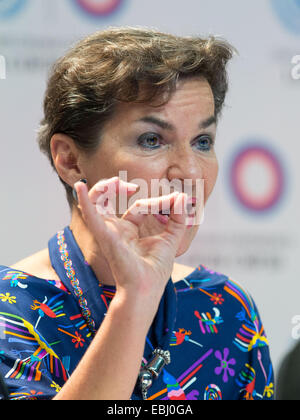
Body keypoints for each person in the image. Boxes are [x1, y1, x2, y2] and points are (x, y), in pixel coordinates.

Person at [0, 27, 274, 400]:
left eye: (202, 141)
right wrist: (136, 298)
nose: (190, 173)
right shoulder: (12, 309)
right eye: (152, 140)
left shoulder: (225, 308)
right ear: (69, 159)